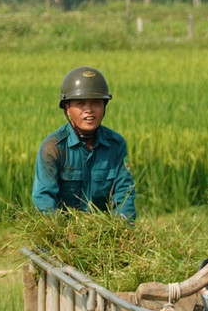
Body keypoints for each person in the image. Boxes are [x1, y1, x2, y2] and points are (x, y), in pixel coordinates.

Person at [32, 66, 135, 221]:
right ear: (67, 108)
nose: (89, 110)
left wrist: (121, 229)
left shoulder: (116, 145)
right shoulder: (53, 147)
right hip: (61, 233)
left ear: (104, 107)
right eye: (81, 103)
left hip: (104, 231)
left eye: (95, 103)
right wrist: (61, 232)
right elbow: (44, 198)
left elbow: (124, 192)